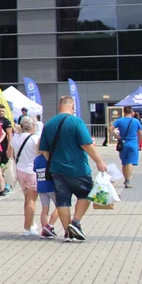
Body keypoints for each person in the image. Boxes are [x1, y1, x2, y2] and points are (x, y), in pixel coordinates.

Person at [37, 96, 107, 242]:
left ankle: (68, 232)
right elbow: (87, 144)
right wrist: (99, 161)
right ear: (72, 106)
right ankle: (75, 223)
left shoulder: (49, 124)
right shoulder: (76, 122)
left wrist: (54, 161)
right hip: (78, 168)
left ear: (59, 106)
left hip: (56, 170)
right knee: (86, 194)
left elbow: (43, 149)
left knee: (63, 201)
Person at [8, 117, 41, 235]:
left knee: (27, 198)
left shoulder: (16, 138)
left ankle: (31, 224)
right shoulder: (35, 139)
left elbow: (9, 153)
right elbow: (40, 153)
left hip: (20, 171)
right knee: (31, 200)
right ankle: (27, 228)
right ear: (32, 127)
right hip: (32, 171)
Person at [112, 106, 142, 188]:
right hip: (132, 144)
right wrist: (138, 143)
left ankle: (125, 179)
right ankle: (128, 181)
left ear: (124, 112)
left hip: (123, 144)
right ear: (131, 112)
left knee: (124, 162)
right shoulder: (136, 121)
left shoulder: (119, 120)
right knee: (130, 162)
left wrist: (116, 136)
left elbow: (110, 128)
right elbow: (140, 133)